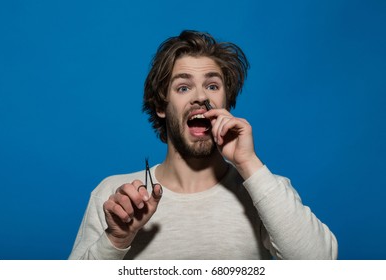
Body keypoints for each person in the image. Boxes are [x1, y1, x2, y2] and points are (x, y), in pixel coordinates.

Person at [69, 30, 338, 260]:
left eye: (212, 85)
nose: (200, 96)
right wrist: (115, 239)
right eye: (183, 88)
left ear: (226, 102)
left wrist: (248, 163)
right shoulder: (115, 198)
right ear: (162, 106)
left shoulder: (266, 192)